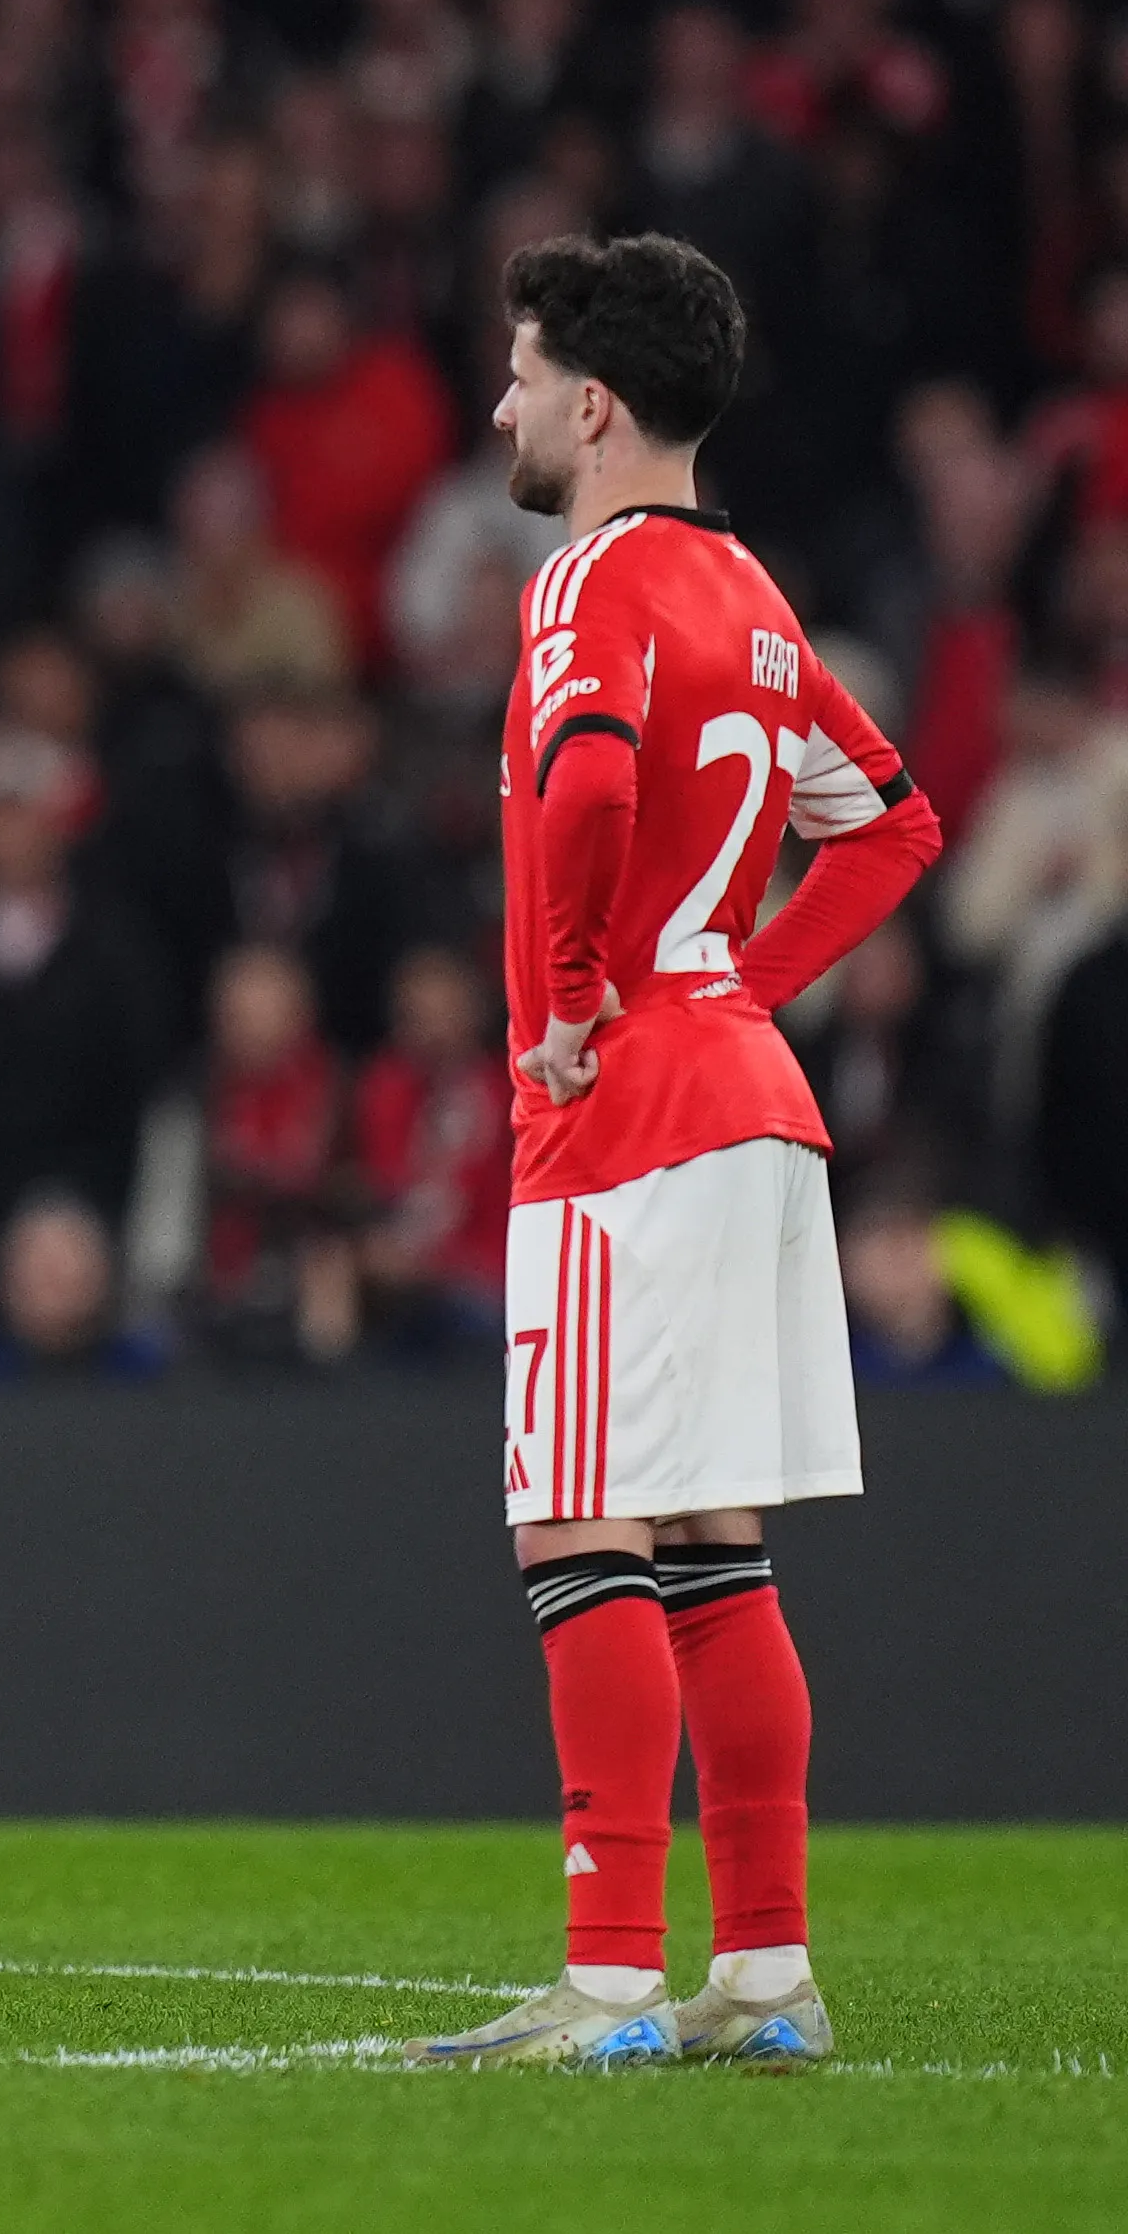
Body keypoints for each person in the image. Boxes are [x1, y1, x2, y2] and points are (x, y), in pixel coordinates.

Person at [405, 233, 941, 2070]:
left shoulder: (589, 578)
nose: (502, 408)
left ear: (595, 405)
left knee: (578, 1520)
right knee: (714, 1545)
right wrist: (739, 990)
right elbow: (892, 824)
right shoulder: (758, 596)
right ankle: (767, 1975)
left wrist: (576, 997)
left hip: (622, 1111)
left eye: (520, 375)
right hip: (748, 1102)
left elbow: (592, 774)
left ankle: (613, 1976)